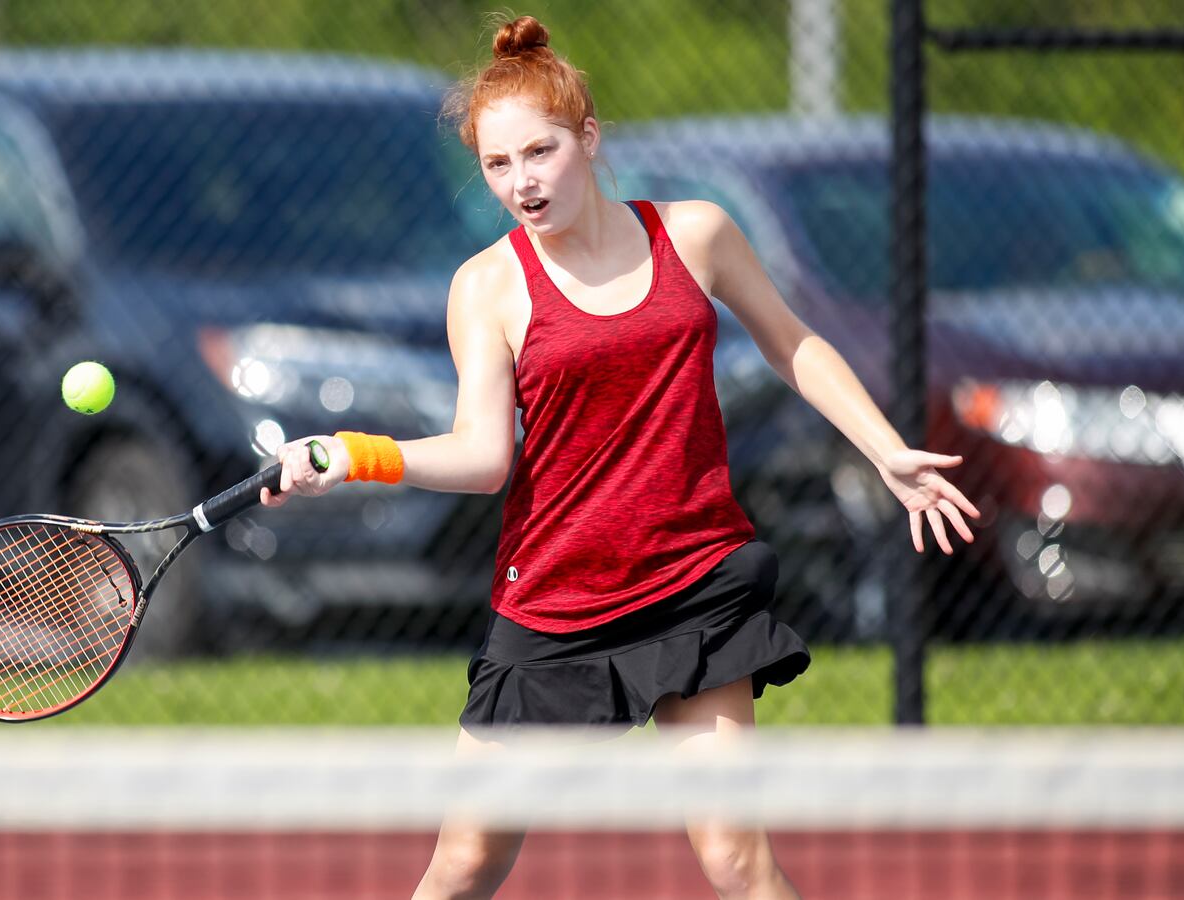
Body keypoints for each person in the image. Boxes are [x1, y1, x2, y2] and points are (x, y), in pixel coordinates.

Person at [261, 14, 981, 899]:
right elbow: (485, 456)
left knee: (735, 859)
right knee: (464, 861)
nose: (522, 182)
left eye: (541, 152)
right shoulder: (485, 287)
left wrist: (885, 452)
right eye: (497, 165)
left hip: (693, 580)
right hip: (557, 599)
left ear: (589, 138)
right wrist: (356, 455)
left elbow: (793, 344)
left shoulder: (696, 233)